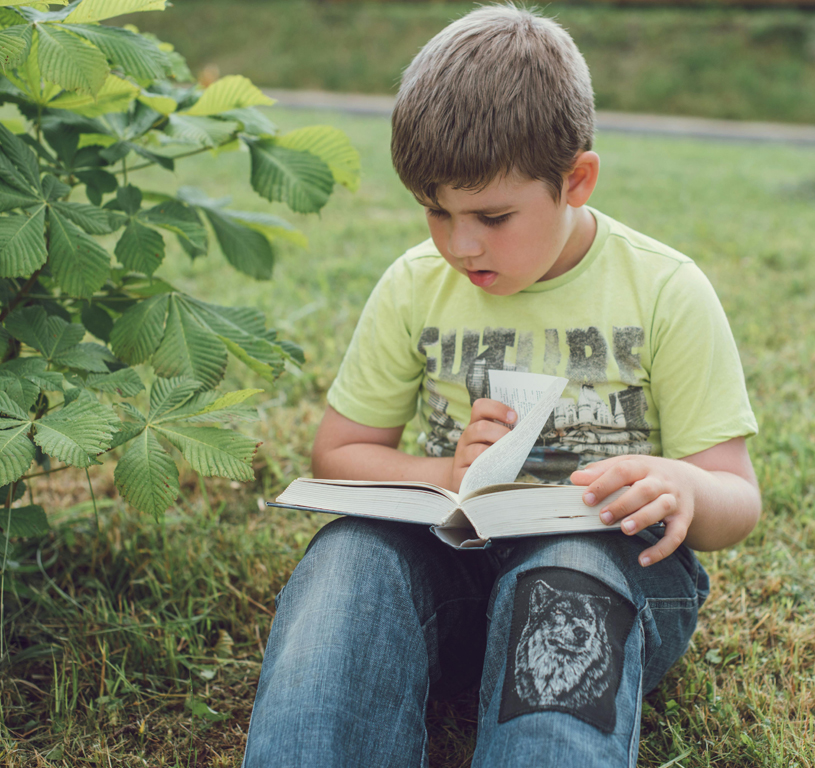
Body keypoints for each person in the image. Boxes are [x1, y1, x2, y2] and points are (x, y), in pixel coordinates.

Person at [242, 5, 761, 767]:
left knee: (567, 572)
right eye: (434, 211)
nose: (460, 244)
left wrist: (681, 485)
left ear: (575, 180)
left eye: (491, 214)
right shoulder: (415, 285)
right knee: (348, 556)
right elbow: (341, 452)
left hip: (611, 575)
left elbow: (735, 499)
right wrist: (442, 473)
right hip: (449, 574)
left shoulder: (665, 291)